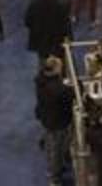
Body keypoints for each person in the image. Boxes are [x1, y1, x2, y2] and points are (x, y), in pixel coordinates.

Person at [35, 56, 75, 186]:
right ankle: (54, 178)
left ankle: (57, 169)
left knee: (53, 145)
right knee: (55, 148)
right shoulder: (57, 88)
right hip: (57, 121)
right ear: (56, 69)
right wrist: (73, 86)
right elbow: (69, 94)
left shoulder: (41, 80)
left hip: (47, 118)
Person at [25, 0, 71, 64]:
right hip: (56, 40)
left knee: (43, 62)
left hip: (40, 40)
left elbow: (27, 21)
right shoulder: (59, 4)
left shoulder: (34, 4)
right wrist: (68, 37)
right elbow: (65, 23)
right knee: (58, 62)